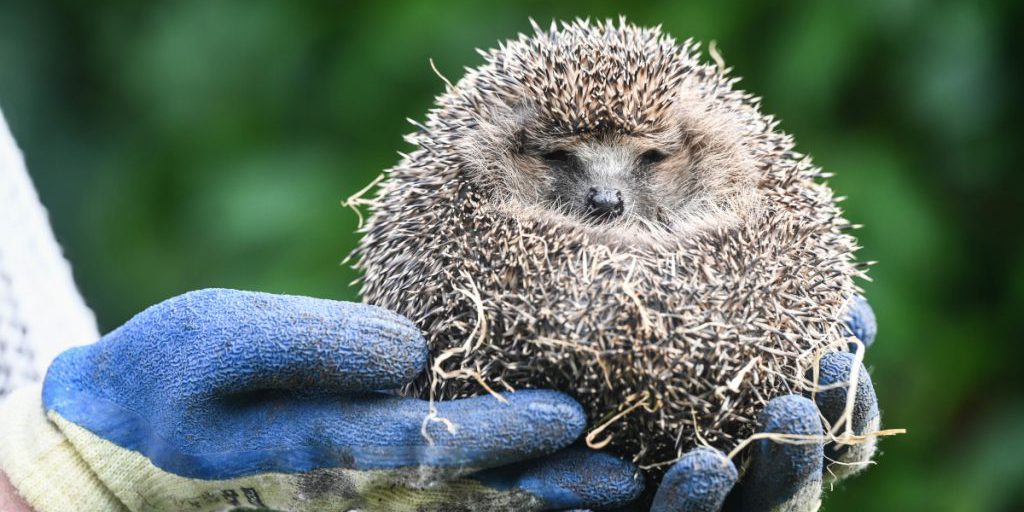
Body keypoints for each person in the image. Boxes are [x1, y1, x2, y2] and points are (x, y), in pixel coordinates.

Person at [0, 108, 881, 511]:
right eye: (564, 162)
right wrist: (58, 480)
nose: (608, 197)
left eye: (648, 161)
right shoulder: (455, 208)